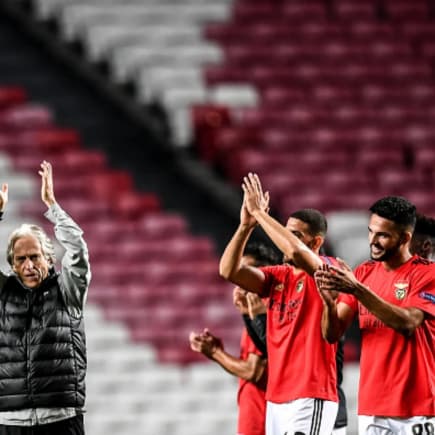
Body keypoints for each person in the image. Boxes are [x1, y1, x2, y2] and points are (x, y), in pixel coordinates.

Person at [219, 173, 339, 435]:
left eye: (293, 234)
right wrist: (246, 226)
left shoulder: (328, 270)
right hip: (277, 398)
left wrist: (261, 215)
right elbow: (228, 270)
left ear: (316, 242)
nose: (284, 239)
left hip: (311, 393)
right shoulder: (277, 277)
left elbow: (297, 252)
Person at [315, 196, 435, 435]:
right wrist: (328, 304)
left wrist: (357, 290)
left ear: (405, 238)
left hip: (417, 407)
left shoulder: (427, 274)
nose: (373, 241)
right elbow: (332, 334)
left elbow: (408, 322)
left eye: (383, 235)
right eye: (371, 232)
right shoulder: (363, 272)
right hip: (373, 407)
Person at [0, 161, 91, 435]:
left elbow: (78, 250)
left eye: (34, 257)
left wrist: (52, 206)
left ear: (49, 258)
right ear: (13, 264)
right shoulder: (4, 293)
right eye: (21, 259)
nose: (28, 265)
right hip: (10, 423)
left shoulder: (68, 290)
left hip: (60, 420)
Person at [189, 243, 280, 435]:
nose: (239, 281)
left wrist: (215, 353)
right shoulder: (256, 315)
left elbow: (253, 371)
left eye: (244, 273)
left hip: (261, 419)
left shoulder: (264, 314)